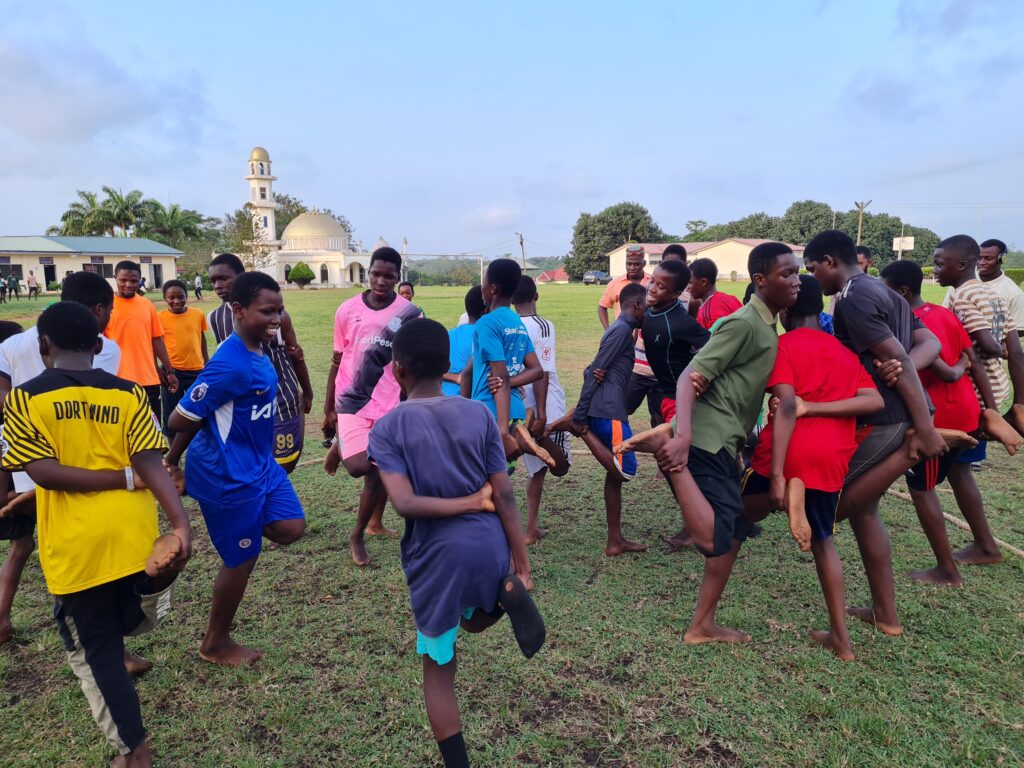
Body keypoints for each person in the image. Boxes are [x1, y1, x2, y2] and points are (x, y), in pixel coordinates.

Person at [1, 301, 191, 768]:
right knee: (125, 611)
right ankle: (151, 593)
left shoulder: (25, 398)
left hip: (77, 548)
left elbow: (45, 472)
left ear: (43, 345)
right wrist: (180, 523)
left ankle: (134, 753)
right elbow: (151, 463)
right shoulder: (129, 393)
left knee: (94, 652)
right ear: (98, 343)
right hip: (134, 533)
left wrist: (120, 478)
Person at [368, 318, 544, 768]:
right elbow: (504, 493)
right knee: (472, 615)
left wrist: (468, 501)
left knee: (439, 671)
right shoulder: (478, 413)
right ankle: (500, 597)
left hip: (438, 558)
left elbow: (404, 503)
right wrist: (521, 562)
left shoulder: (387, 427)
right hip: (490, 547)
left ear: (397, 369)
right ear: (447, 363)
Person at [621, 243, 799, 643]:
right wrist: (683, 437)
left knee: (735, 531)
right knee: (714, 539)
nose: (795, 281)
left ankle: (702, 625)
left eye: (796, 273)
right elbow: (690, 376)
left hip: (725, 439)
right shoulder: (744, 323)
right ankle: (671, 456)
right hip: (705, 439)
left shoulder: (766, 325)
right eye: (786, 274)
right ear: (760, 280)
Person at [803, 230, 946, 637]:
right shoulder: (883, 290)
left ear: (830, 262)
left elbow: (899, 354)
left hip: (888, 418)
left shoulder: (854, 298)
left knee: (826, 507)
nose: (812, 277)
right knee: (866, 513)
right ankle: (886, 615)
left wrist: (924, 428)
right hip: (896, 411)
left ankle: (909, 453)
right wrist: (903, 364)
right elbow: (927, 343)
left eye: (812, 269)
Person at [166, 272, 305, 666]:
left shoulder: (258, 347)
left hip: (260, 465)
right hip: (228, 476)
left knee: (291, 528)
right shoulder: (230, 365)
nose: (276, 319)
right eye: (267, 311)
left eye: (279, 310)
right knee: (242, 557)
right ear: (239, 310)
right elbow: (181, 418)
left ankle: (240, 527)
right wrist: (173, 461)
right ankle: (215, 643)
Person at [742, 275, 883, 660]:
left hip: (786, 453)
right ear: (820, 310)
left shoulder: (781, 346)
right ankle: (842, 639)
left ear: (785, 312)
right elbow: (873, 401)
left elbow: (787, 406)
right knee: (824, 543)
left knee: (735, 517)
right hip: (830, 459)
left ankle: (786, 496)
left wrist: (777, 474)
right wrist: (819, 407)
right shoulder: (843, 353)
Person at [0, 273, 124, 646]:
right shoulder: (104, 348)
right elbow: (96, 407)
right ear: (98, 309)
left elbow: (4, 400)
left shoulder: (13, 343)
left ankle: (2, 619)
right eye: (109, 310)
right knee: (85, 559)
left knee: (23, 546)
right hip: (76, 471)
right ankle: (101, 647)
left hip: (26, 468)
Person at [881, 260, 1021, 584]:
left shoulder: (905, 324)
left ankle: (947, 569)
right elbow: (974, 363)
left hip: (939, 420)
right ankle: (986, 546)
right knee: (959, 472)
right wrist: (989, 410)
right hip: (967, 411)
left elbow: (935, 368)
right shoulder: (943, 313)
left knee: (921, 488)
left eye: (884, 293)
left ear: (901, 292)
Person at [323, 247, 421, 566]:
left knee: (377, 473)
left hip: (389, 404)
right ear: (369, 272)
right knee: (358, 467)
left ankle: (358, 535)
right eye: (376, 274)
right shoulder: (347, 310)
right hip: (352, 400)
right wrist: (328, 408)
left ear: (397, 277)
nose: (381, 281)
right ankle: (341, 444)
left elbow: (413, 364)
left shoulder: (411, 314)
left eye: (388, 276)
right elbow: (337, 360)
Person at [549, 282, 649, 556]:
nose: (651, 309)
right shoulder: (621, 330)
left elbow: (592, 369)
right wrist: (581, 421)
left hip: (609, 408)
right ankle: (578, 430)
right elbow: (595, 371)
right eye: (648, 305)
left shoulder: (623, 330)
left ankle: (615, 541)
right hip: (608, 412)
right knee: (626, 470)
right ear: (636, 304)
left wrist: (591, 372)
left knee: (613, 477)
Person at [936, 234, 1024, 528]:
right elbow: (1016, 351)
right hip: (997, 386)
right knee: (959, 469)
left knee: (949, 468)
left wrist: (981, 351)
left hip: (973, 392)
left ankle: (984, 543)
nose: (935, 270)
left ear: (961, 265)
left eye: (940, 264)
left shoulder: (962, 297)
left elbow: (985, 346)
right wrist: (1019, 401)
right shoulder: (994, 295)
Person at [207, 253, 314, 473]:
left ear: (241, 277)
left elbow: (296, 355)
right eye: (213, 280)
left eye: (224, 278)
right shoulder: (215, 318)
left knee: (282, 466)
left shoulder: (277, 315)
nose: (218, 286)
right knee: (249, 468)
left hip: (282, 400)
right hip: (244, 407)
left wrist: (307, 391)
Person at [639, 260, 710, 548]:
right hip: (665, 395)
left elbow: (712, 346)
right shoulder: (649, 311)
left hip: (681, 400)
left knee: (677, 462)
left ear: (675, 293)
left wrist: (704, 376)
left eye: (661, 286)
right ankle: (696, 519)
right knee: (670, 461)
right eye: (652, 281)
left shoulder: (680, 322)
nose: (652, 288)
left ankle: (696, 525)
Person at [460, 258, 550, 469]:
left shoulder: (487, 323)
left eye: (483, 282)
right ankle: (517, 432)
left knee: (485, 478)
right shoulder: (516, 321)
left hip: (491, 412)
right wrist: (511, 381)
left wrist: (501, 432)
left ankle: (512, 433)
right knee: (496, 476)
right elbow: (536, 369)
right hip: (514, 410)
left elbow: (500, 376)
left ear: (492, 288)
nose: (481, 287)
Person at [512, 276, 571, 544]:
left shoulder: (509, 325)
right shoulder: (543, 325)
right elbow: (542, 371)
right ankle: (538, 437)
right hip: (544, 404)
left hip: (516, 404)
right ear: (536, 296)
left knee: (534, 470)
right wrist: (544, 414)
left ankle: (530, 529)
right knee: (558, 466)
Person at [104, 261, 178, 419]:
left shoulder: (147, 305)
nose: (128, 285)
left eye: (134, 281)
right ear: (115, 278)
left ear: (140, 280)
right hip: (116, 380)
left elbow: (157, 339)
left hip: (148, 380)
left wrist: (169, 371)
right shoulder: (106, 306)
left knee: (152, 428)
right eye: (123, 280)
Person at [599, 245, 660, 428]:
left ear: (644, 263)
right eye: (629, 264)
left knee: (658, 412)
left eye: (636, 264)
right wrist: (608, 330)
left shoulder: (653, 283)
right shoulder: (615, 283)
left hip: (648, 347)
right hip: (623, 344)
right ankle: (617, 434)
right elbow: (602, 306)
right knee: (622, 399)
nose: (632, 267)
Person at [158, 280, 209, 440]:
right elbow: (156, 344)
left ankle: (199, 445)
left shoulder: (197, 314)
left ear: (187, 296)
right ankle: (173, 453)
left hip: (197, 372)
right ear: (165, 298)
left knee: (198, 412)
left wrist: (207, 362)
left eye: (180, 297)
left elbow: (201, 338)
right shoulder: (160, 318)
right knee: (170, 414)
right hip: (172, 373)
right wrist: (160, 370)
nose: (176, 301)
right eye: (171, 297)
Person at [442, 286, 485, 397]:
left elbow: (431, 369)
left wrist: (455, 377)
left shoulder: (448, 334)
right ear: (487, 310)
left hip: (445, 396)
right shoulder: (486, 336)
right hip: (472, 399)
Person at [977, 238, 1024, 336]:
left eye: (988, 258)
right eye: (979, 257)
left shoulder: (1014, 293)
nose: (981, 262)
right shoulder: (961, 281)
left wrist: (993, 337)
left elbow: (1020, 329)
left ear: (1002, 259)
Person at [687, 258, 743, 330]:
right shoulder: (732, 299)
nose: (687, 288)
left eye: (690, 282)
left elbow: (716, 336)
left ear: (703, 282)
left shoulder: (708, 314)